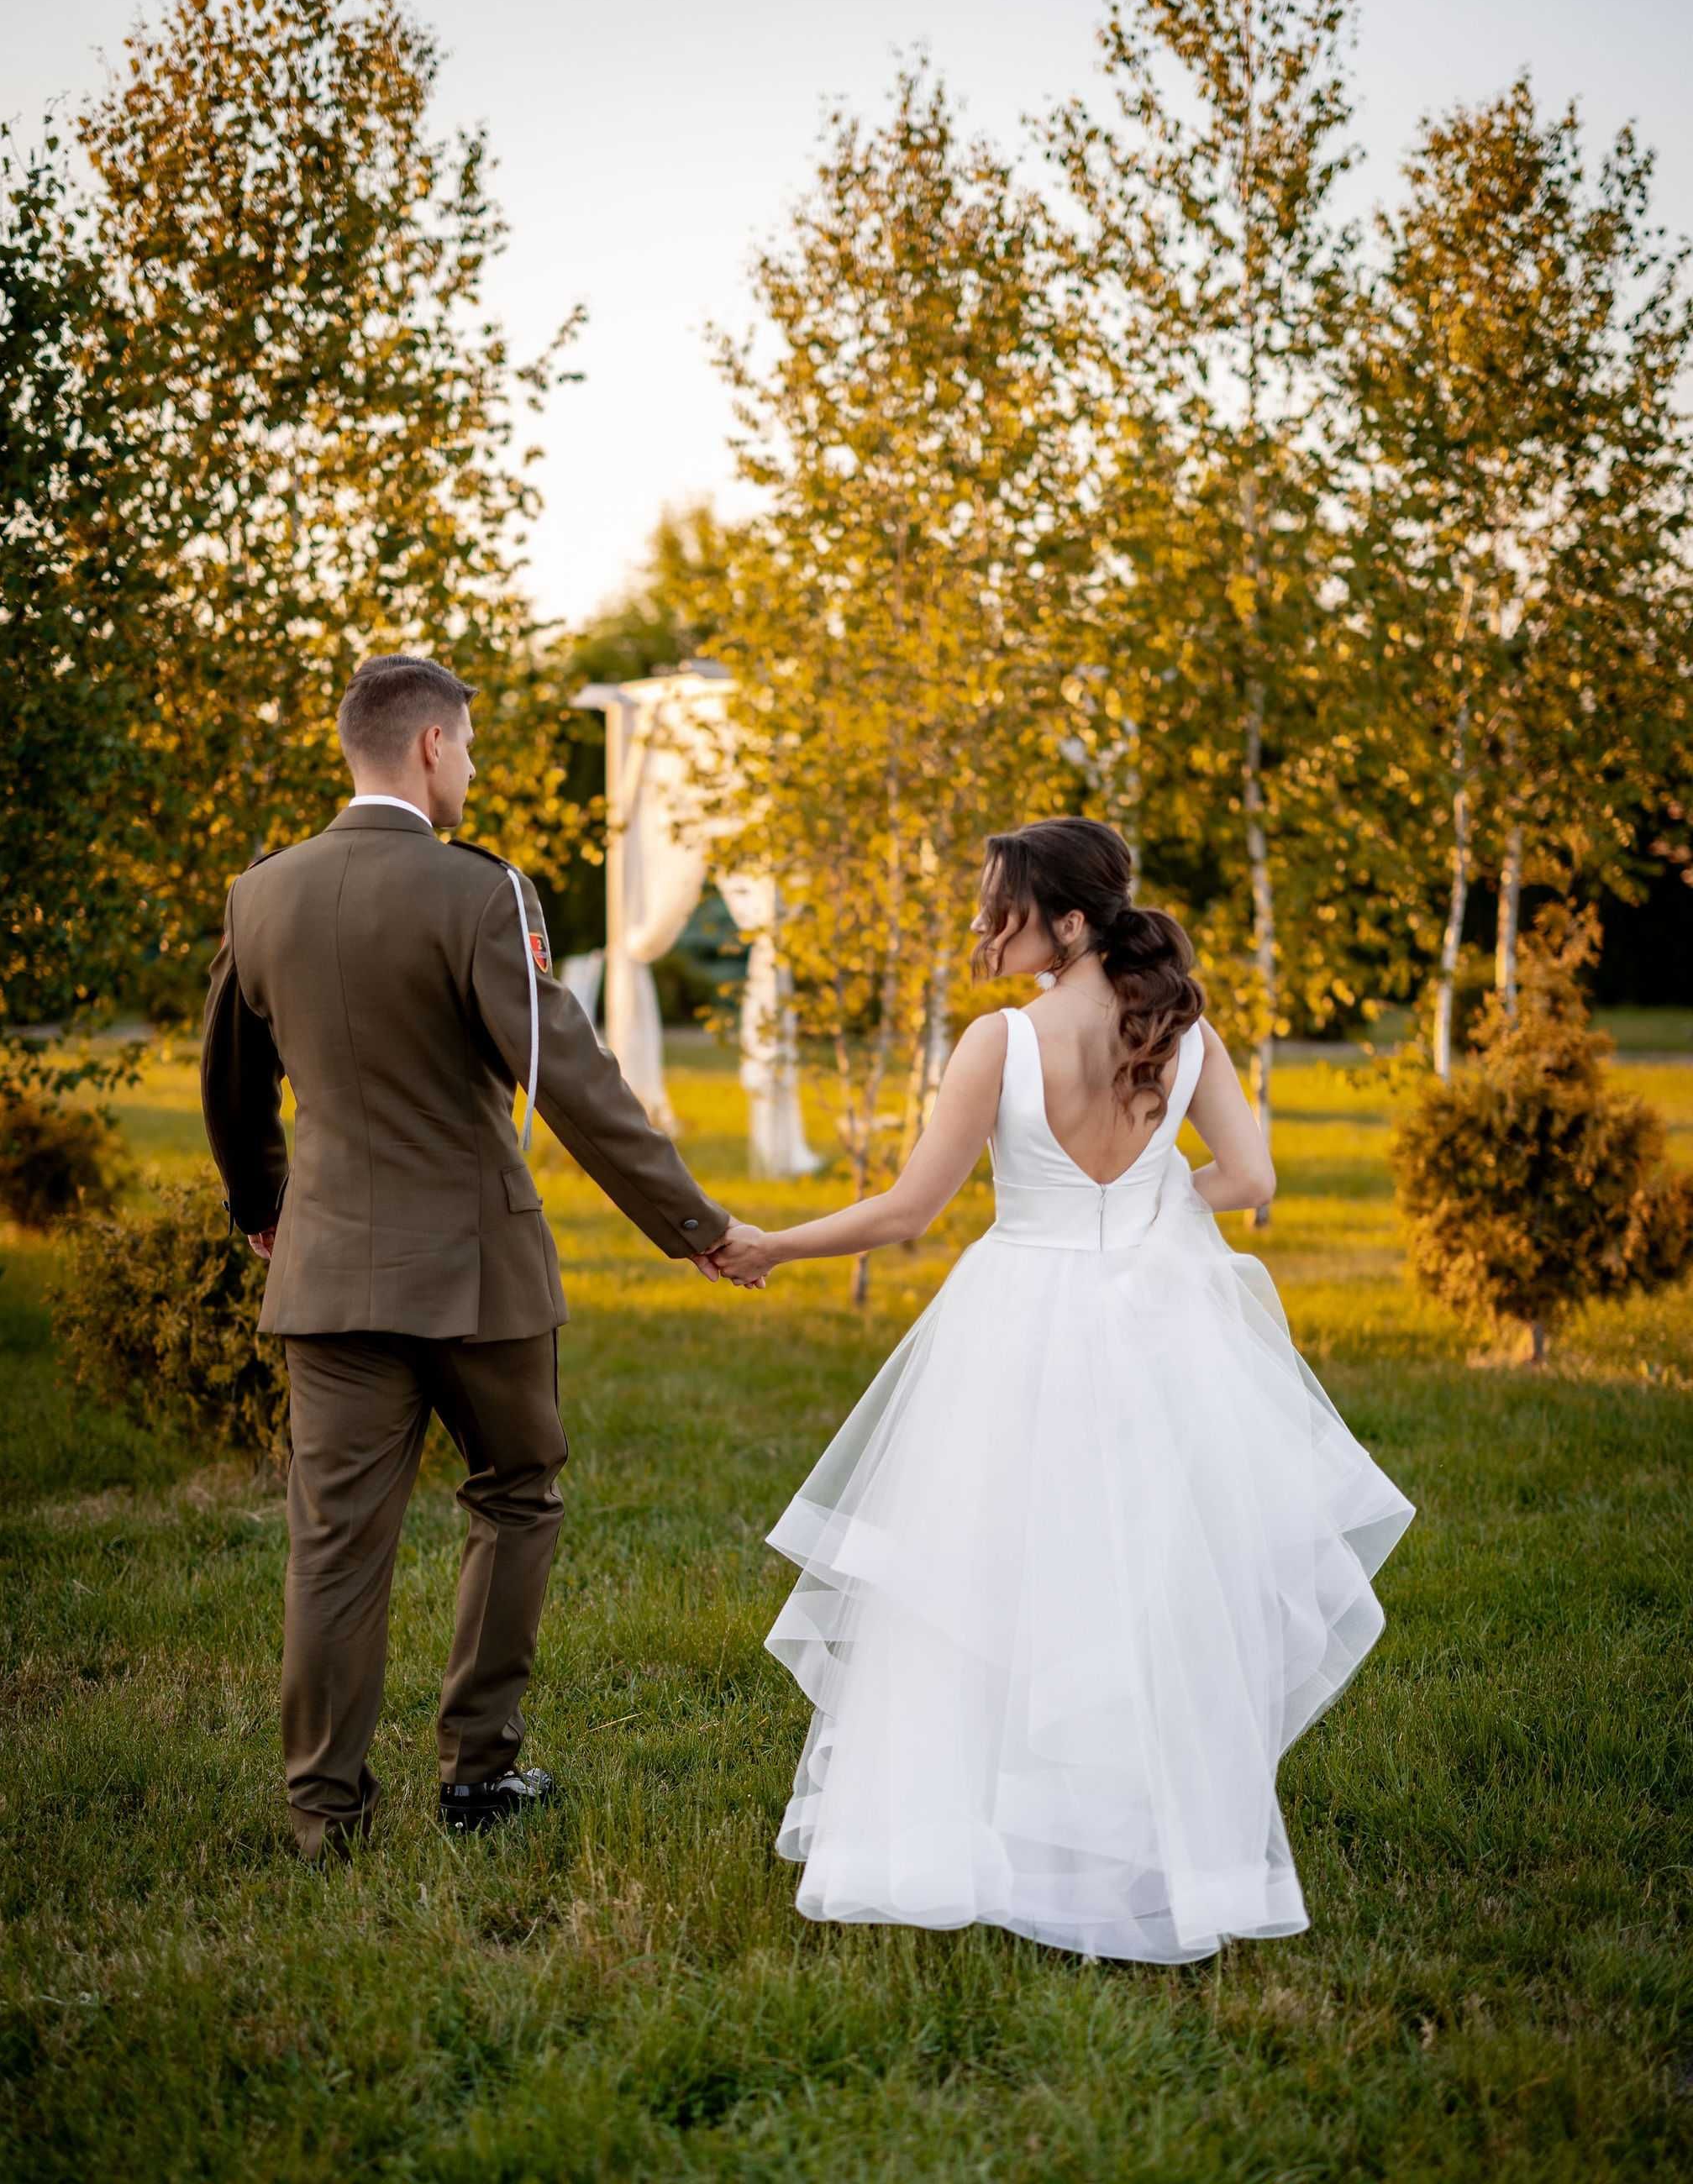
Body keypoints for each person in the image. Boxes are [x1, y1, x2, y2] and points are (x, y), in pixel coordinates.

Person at [711, 819, 1414, 1962]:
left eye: (1004, 909)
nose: (984, 928)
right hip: (1155, 1332)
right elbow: (1252, 1178)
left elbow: (905, 1215)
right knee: (1141, 1584)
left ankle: (984, 1836)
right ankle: (1135, 1844)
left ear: (1071, 923)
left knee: (988, 1583)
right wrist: (1142, 1218)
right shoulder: (1184, 1034)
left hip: (1015, 1324)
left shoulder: (1001, 1044)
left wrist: (770, 1245)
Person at [200, 653, 763, 1860]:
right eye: (469, 743)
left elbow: (230, 1084)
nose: (475, 766)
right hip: (478, 1280)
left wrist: (264, 1207)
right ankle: (478, 1777)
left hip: (328, 1270)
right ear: (430, 749)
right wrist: (698, 1228)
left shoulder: (264, 895)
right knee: (516, 1495)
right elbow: (570, 1079)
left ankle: (322, 1818)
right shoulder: (480, 896)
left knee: (336, 1542)